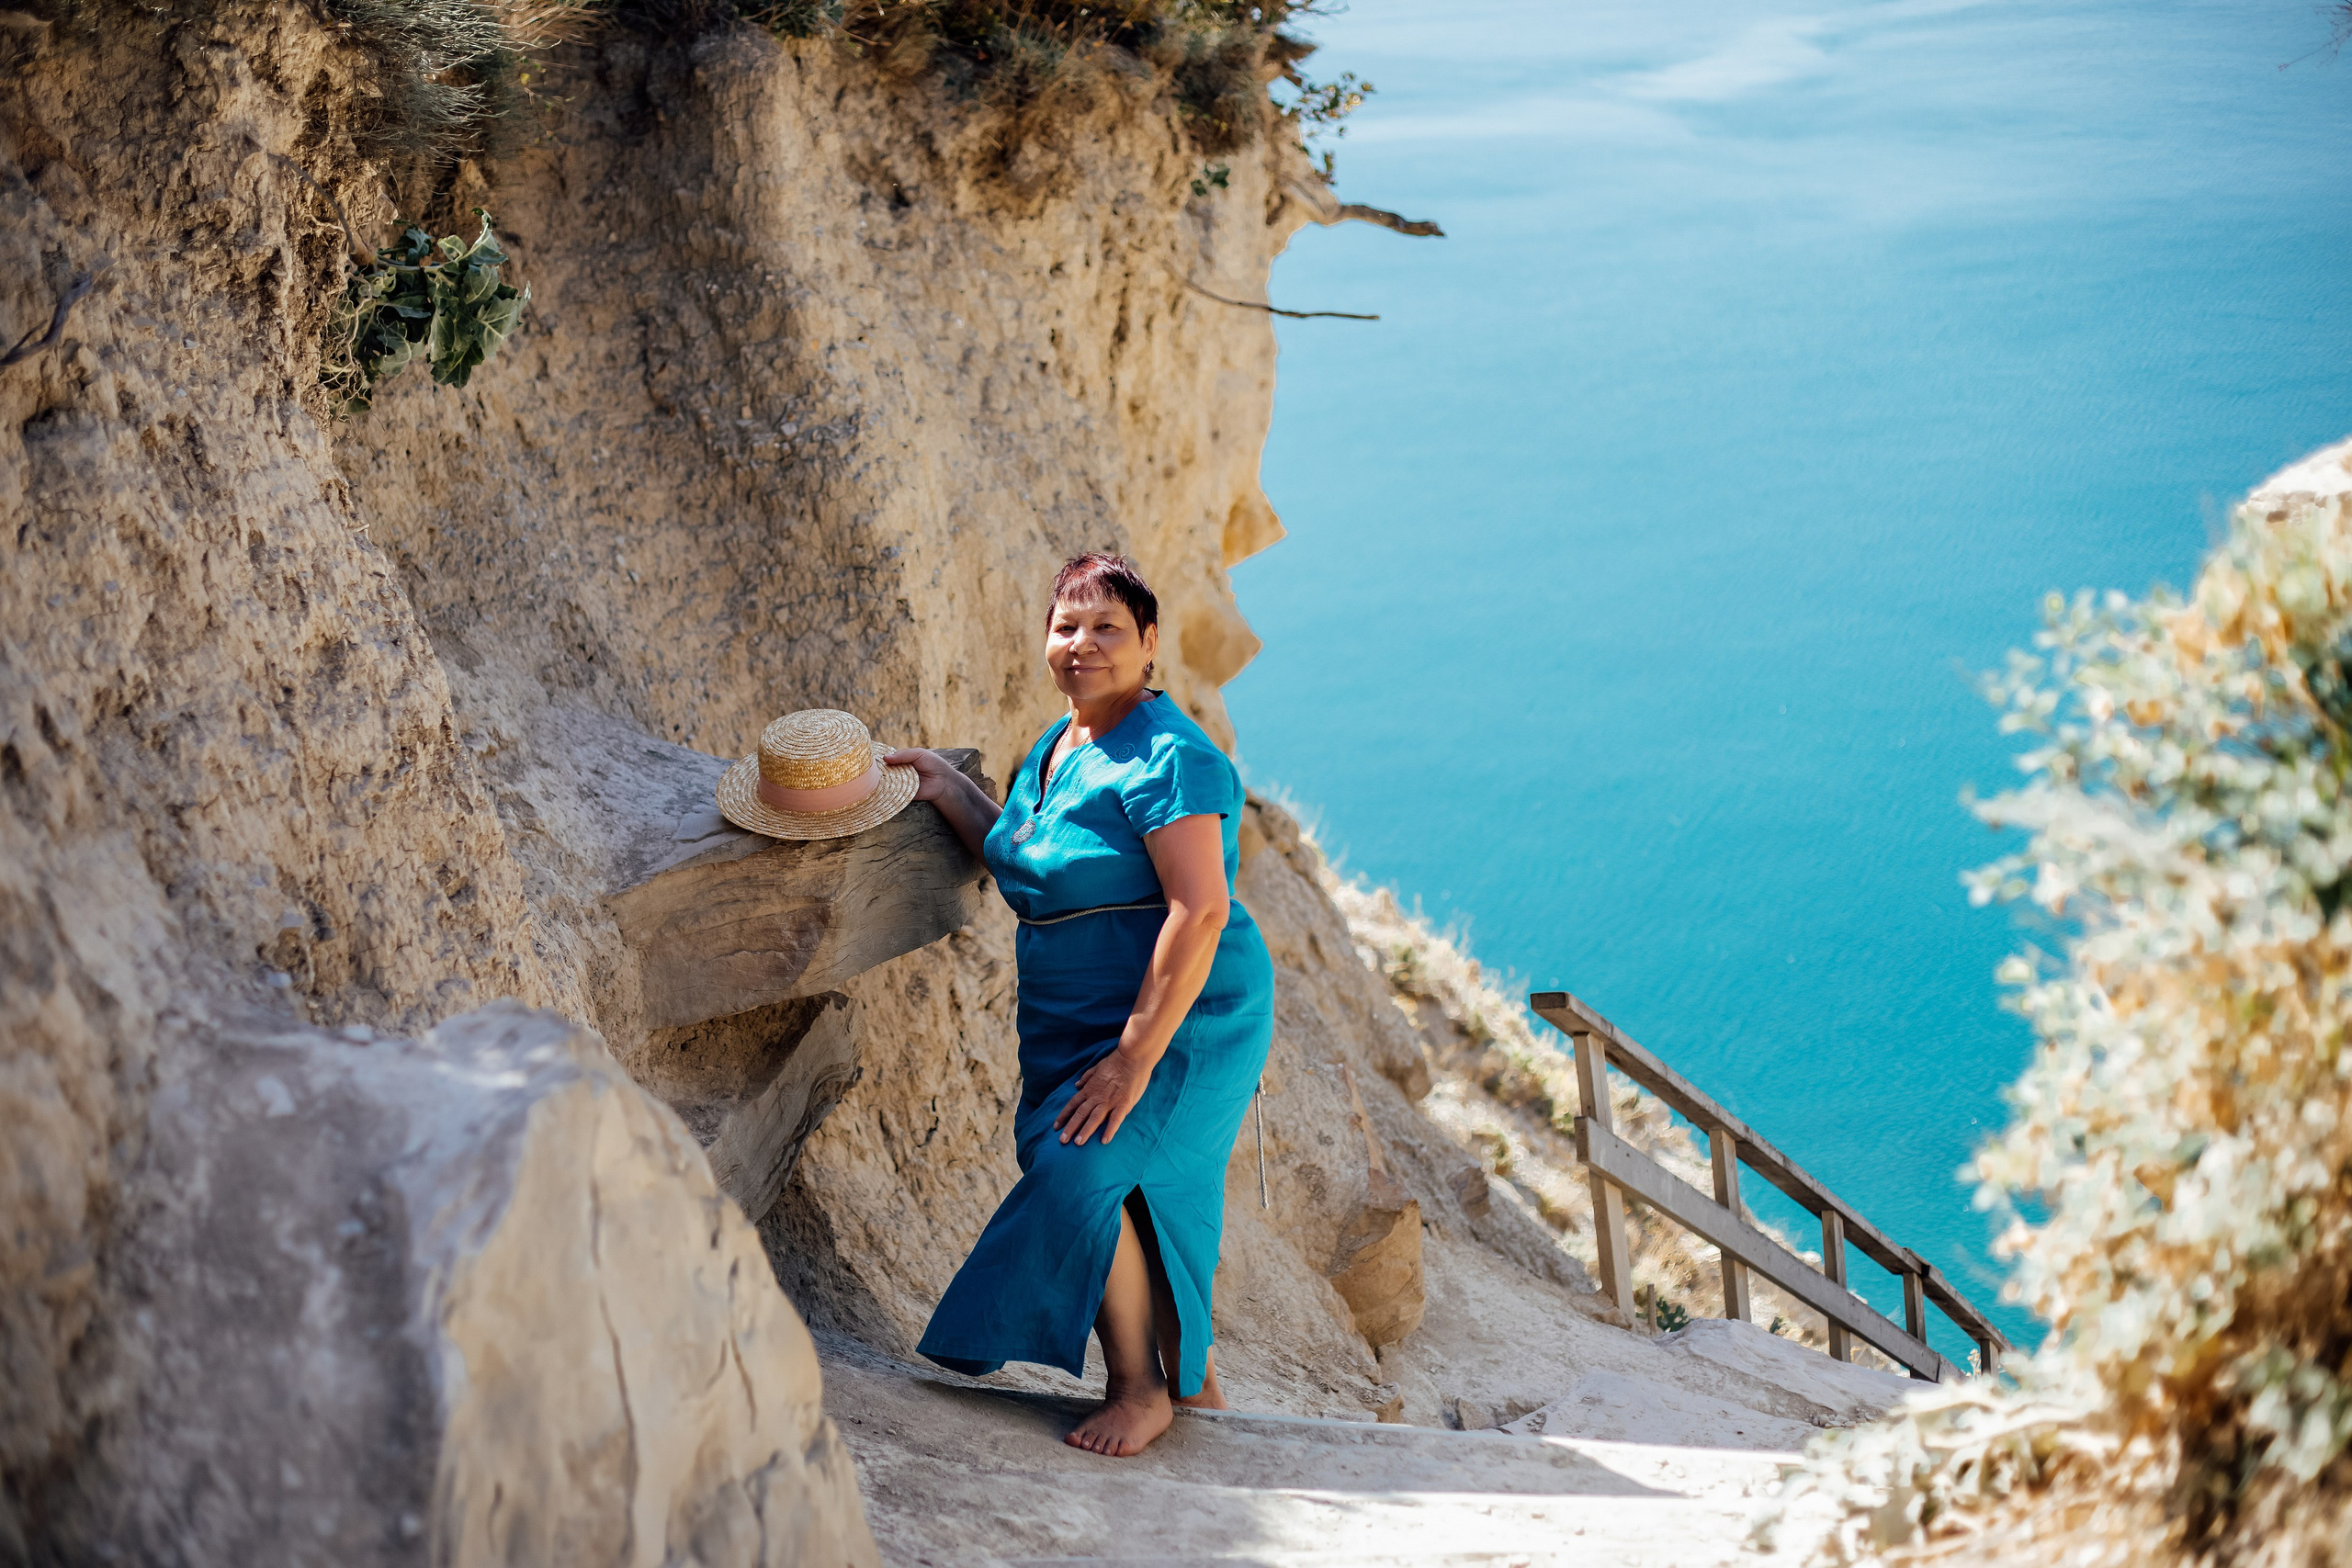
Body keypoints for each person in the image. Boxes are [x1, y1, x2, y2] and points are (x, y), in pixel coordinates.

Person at [885, 552, 1275, 1459]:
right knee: (1130, 1197)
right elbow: (1027, 862)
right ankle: (1196, 1384)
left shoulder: (1173, 758)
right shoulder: (1056, 750)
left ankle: (1140, 1389)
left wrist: (1134, 1055)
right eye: (1067, 626)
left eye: (1108, 629)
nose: (1083, 644)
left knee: (1081, 1172)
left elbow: (1200, 906)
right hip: (1072, 1017)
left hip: (1184, 1017)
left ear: (1148, 646)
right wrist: (948, 790)